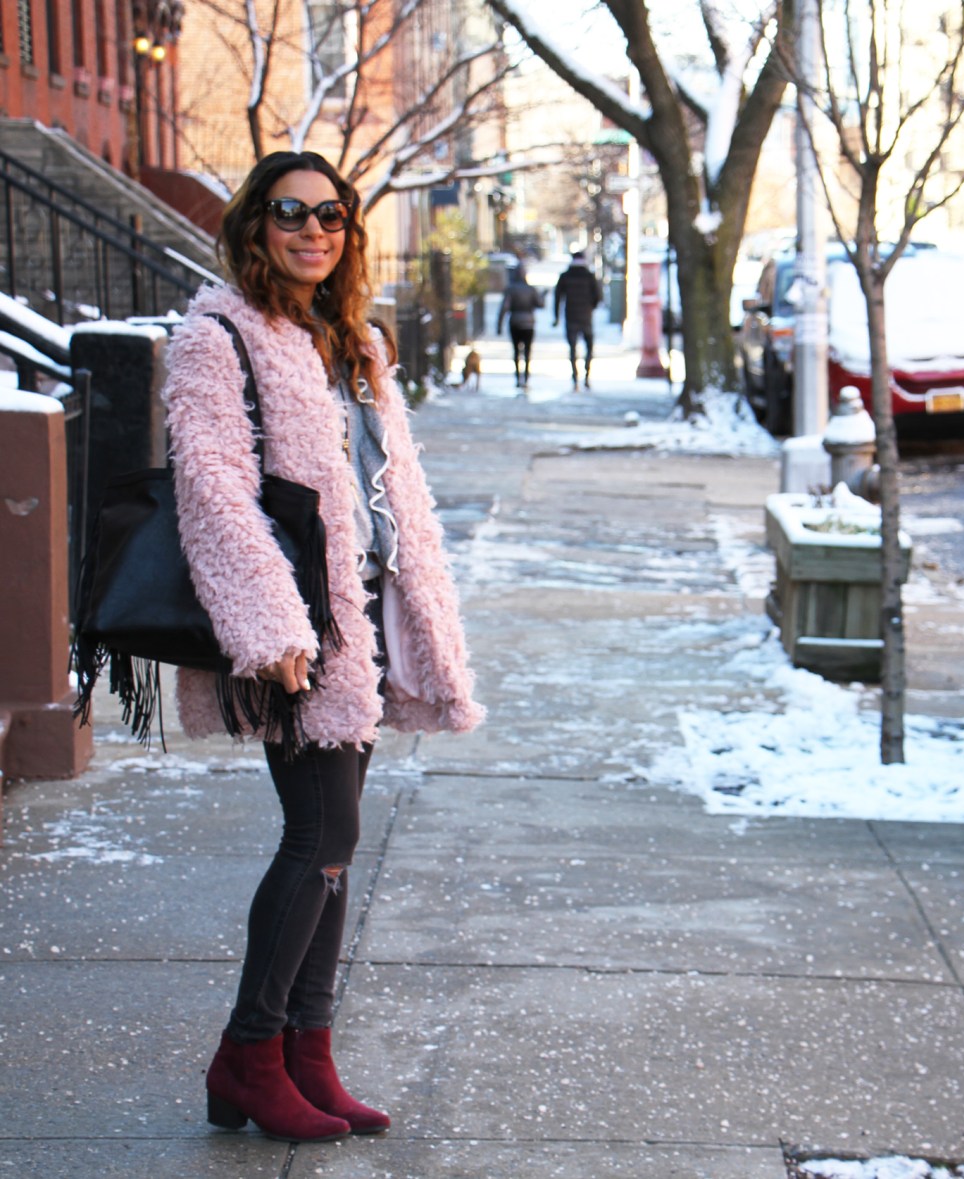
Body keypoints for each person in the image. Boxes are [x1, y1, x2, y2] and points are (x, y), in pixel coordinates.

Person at [161, 150, 484, 1143]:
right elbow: (213, 483)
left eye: (331, 214)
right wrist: (269, 625)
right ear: (255, 225)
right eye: (290, 212)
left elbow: (393, 489)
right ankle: (248, 1054)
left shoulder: (353, 340)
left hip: (365, 619)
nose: (313, 230)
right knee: (319, 835)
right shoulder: (217, 336)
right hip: (296, 623)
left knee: (334, 848)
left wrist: (417, 612)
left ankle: (307, 1055)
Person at [553, 251, 603, 390]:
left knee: (572, 349)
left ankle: (575, 378)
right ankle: (586, 376)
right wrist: (590, 308)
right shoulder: (589, 276)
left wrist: (556, 317)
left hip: (571, 316)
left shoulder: (565, 276)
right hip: (586, 317)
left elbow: (558, 298)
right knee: (589, 347)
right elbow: (598, 297)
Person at [495, 263, 543, 387]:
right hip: (528, 324)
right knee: (527, 352)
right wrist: (542, 295)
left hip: (515, 323)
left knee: (516, 351)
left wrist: (499, 325)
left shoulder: (511, 289)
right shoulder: (530, 289)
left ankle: (518, 378)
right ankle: (526, 377)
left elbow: (504, 307)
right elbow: (540, 304)